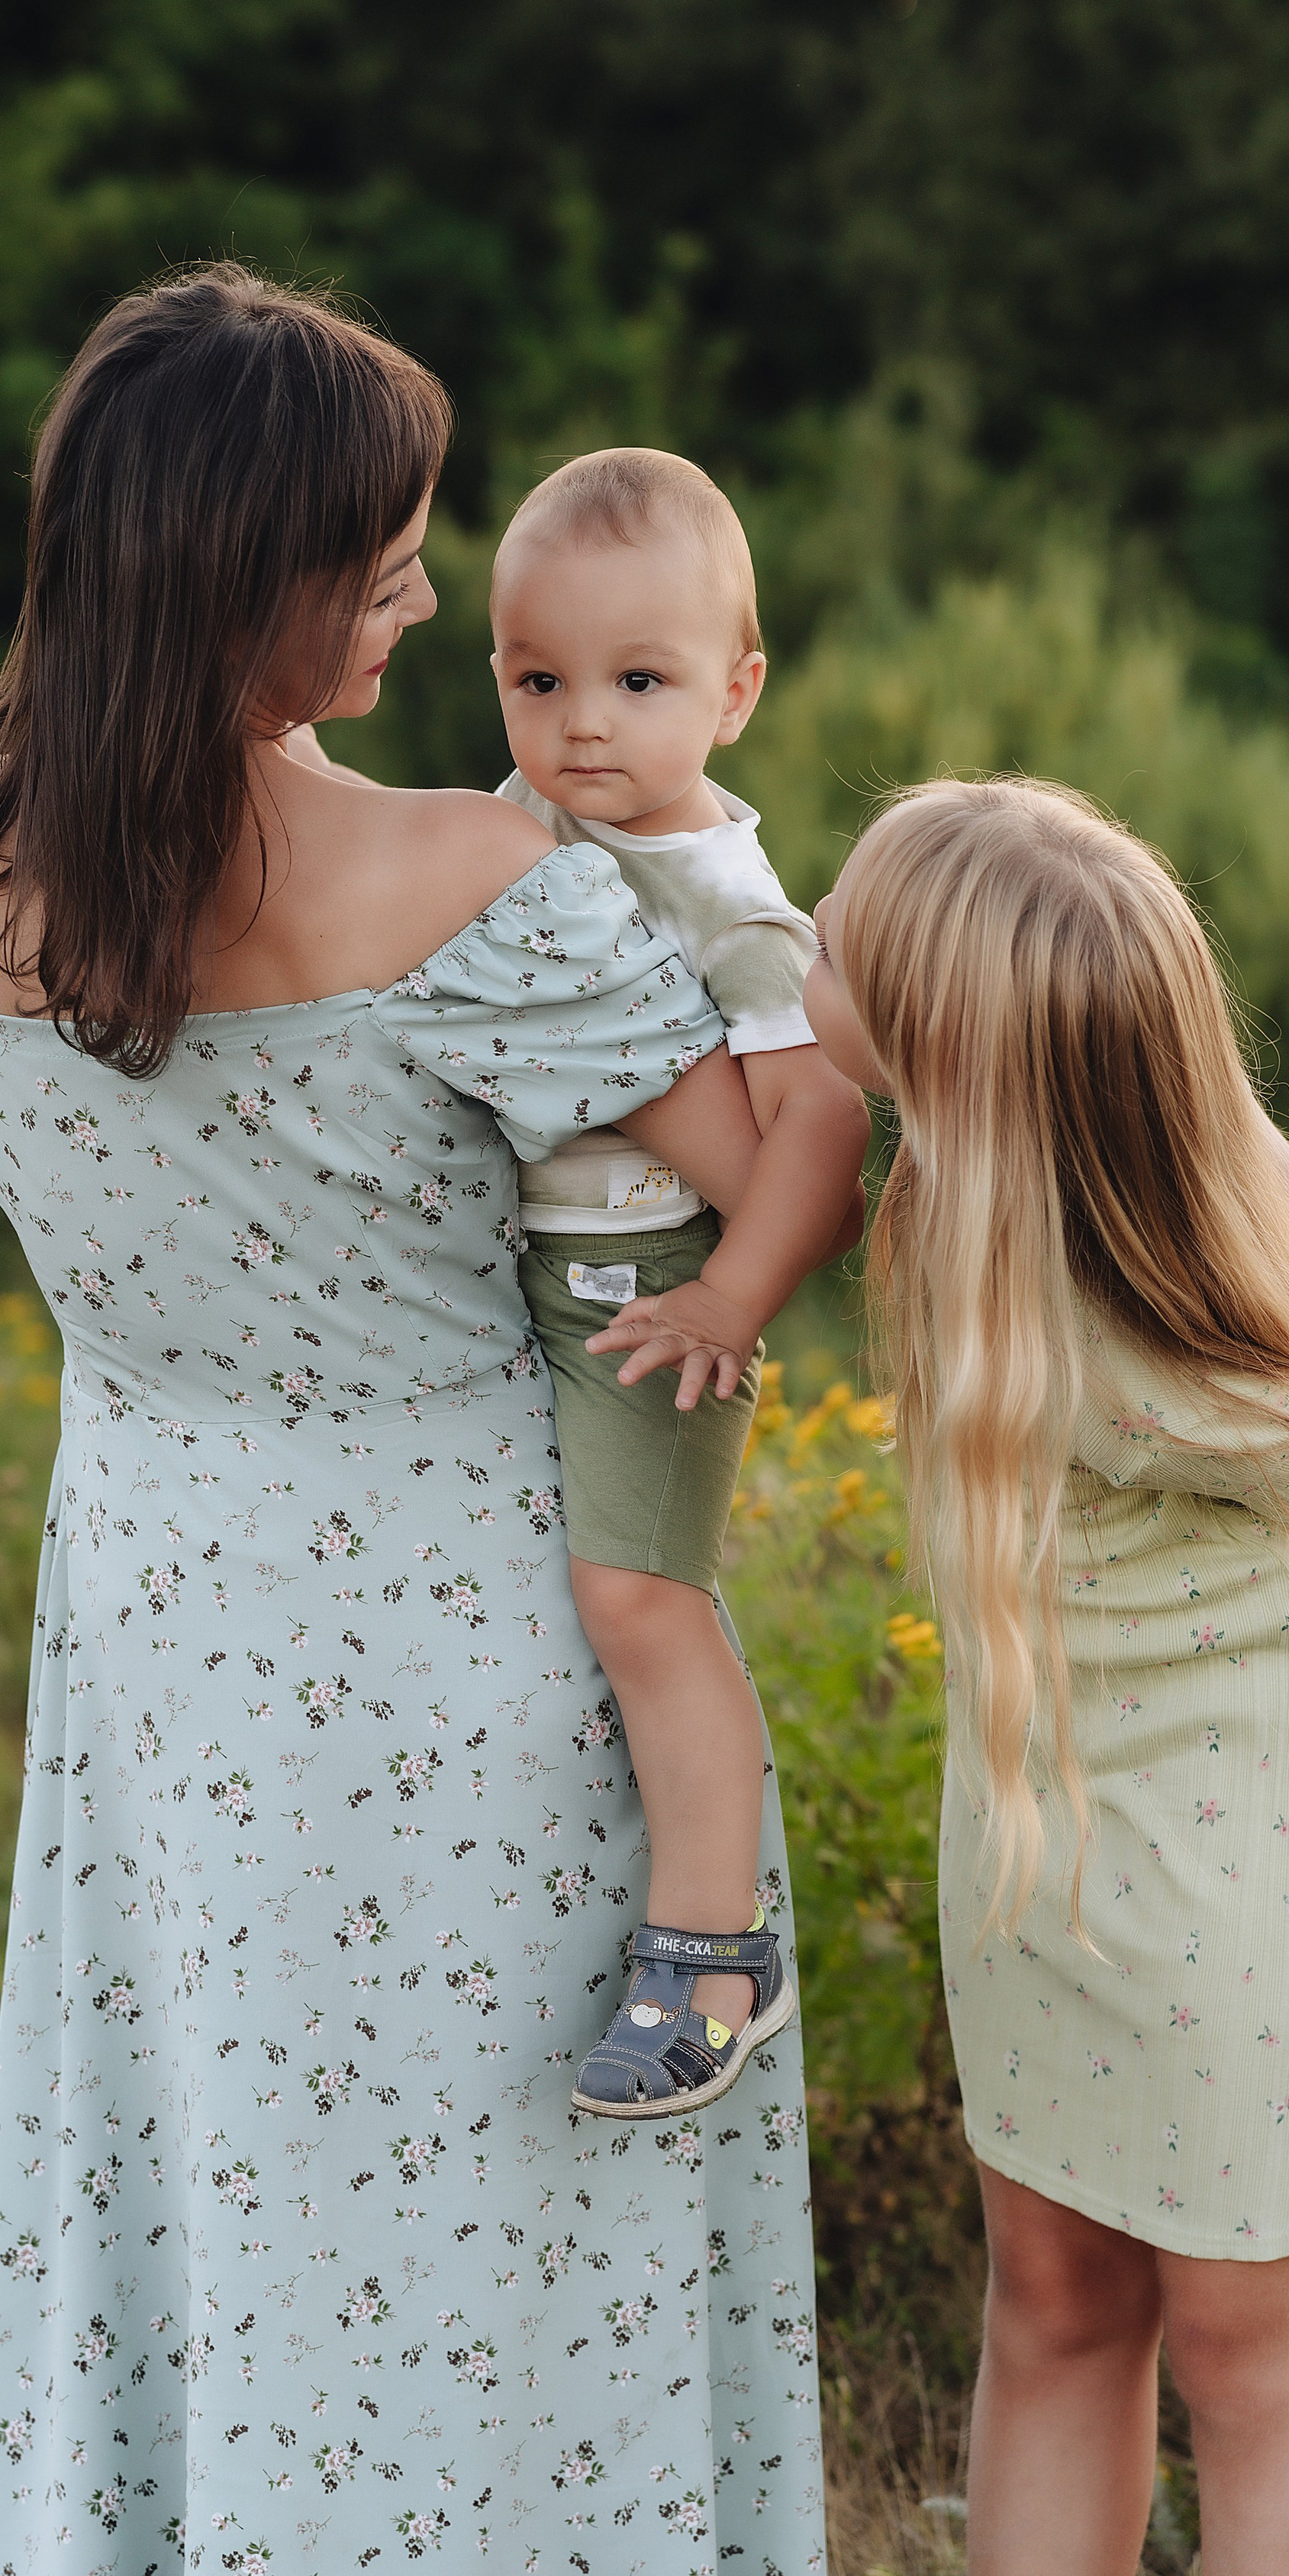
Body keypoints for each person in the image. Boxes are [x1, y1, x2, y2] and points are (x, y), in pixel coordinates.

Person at [0, 266, 828, 2573]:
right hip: (464, 1648)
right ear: (245, 573)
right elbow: (779, 1175)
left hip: (157, 1626)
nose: (422, 584)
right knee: (499, 2245)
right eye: (379, 553)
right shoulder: (469, 881)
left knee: (206, 2193)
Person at [793, 776, 1289, 2576]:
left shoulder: (1149, 1357)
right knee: (1051, 2291)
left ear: (947, 1056)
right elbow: (1287, 1221)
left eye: (839, 939)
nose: (808, 940)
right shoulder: (1004, 1180)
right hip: (1058, 1798)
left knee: (1251, 2345)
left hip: (1237, 1804)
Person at [485, 448, 869, 2118]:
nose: (582, 724)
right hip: (523, 1264)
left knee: (646, 1600)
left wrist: (735, 1300)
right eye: (537, 677)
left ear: (735, 692)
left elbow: (818, 1122)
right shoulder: (505, 825)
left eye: (637, 682)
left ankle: (711, 1947)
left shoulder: (725, 897)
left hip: (646, 1284)